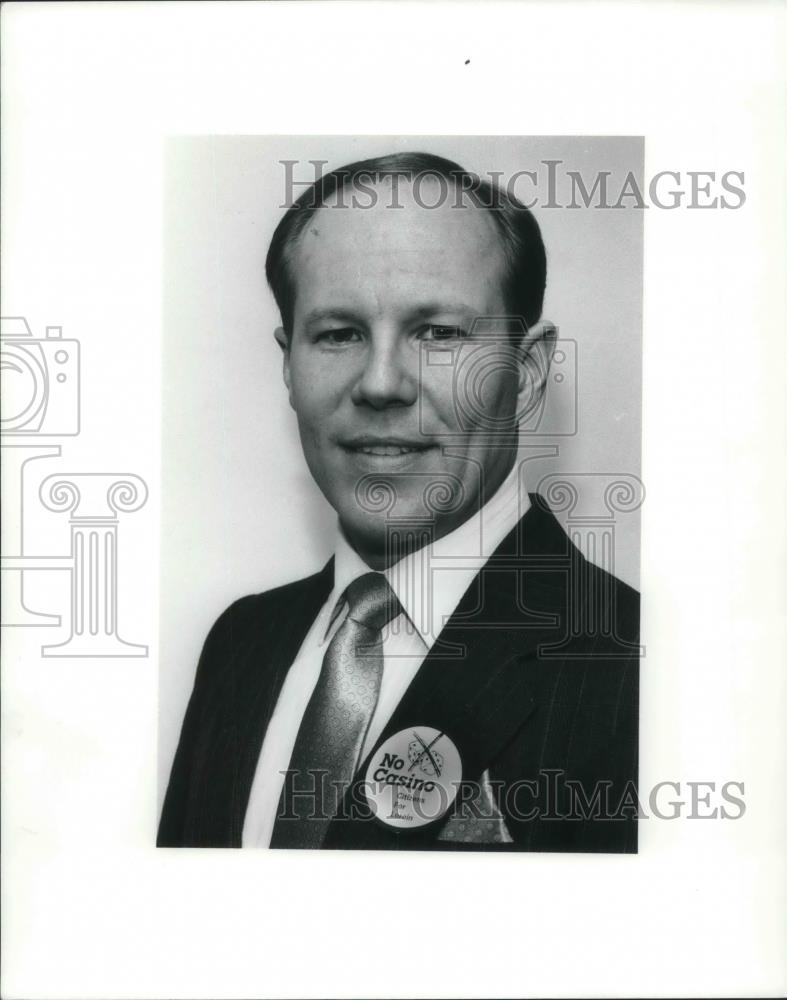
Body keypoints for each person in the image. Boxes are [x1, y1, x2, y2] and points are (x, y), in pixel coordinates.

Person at [158, 152, 639, 852]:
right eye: (338, 334)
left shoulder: (632, 669)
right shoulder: (241, 642)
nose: (380, 383)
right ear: (287, 363)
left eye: (438, 333)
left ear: (527, 373)